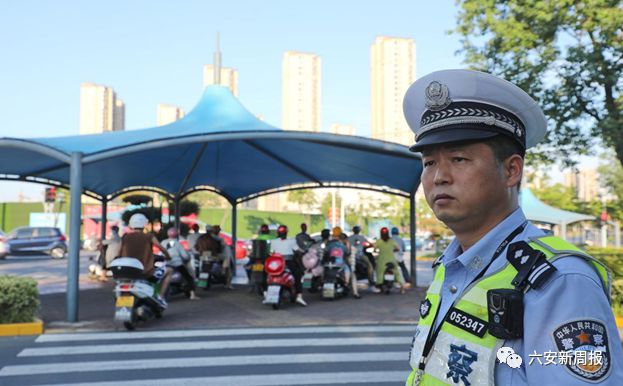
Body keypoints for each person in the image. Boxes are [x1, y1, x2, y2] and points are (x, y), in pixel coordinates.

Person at [404, 69, 622, 385]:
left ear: (511, 171)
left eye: (459, 159)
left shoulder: (560, 282)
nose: (439, 177)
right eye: (429, 163)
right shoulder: (448, 267)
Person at [119, 213, 172, 304]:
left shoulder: (125, 237)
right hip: (145, 272)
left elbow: (119, 252)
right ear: (144, 224)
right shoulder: (149, 236)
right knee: (169, 271)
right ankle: (161, 297)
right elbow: (160, 247)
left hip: (128, 272)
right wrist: (168, 256)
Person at [270, 225, 307, 306]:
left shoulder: (273, 241)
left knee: (270, 275)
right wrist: (304, 251)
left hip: (276, 263)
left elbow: (271, 252)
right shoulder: (292, 241)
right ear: (286, 233)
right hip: (288, 262)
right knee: (298, 275)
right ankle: (299, 296)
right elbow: (298, 250)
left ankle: (266, 292)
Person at [161, 227, 199, 300]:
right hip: (177, 264)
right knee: (189, 277)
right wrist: (187, 258)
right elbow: (185, 256)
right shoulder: (177, 243)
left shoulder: (163, 242)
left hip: (165, 264)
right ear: (177, 234)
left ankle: (161, 295)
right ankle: (192, 295)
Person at [326, 227, 360, 299]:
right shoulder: (343, 246)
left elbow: (326, 252)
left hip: (330, 263)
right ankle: (347, 284)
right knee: (348, 271)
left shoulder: (330, 244)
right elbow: (347, 253)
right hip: (340, 264)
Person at [373, 227, 404, 294]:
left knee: (379, 272)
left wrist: (377, 251)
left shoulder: (379, 241)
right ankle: (402, 287)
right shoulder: (392, 241)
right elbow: (398, 248)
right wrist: (393, 250)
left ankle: (379, 285)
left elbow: (374, 249)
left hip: (382, 261)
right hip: (392, 260)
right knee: (397, 273)